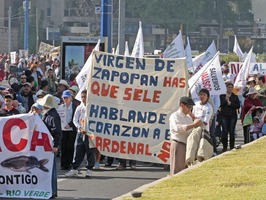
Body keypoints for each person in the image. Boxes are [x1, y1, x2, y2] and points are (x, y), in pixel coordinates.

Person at [65, 90, 95, 177]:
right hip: (80, 133)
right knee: (78, 150)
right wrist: (79, 128)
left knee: (90, 151)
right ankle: (74, 168)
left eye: (85, 97)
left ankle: (89, 169)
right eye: (82, 97)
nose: (83, 99)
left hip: (90, 133)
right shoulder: (79, 108)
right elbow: (75, 120)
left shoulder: (92, 107)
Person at [169, 96, 202, 175]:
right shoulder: (175, 116)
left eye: (191, 107)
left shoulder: (188, 117)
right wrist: (193, 124)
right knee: (176, 169)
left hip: (187, 144)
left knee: (185, 169)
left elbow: (191, 131)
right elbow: (178, 128)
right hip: (178, 143)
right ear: (182, 105)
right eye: (189, 107)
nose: (190, 109)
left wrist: (196, 123)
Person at [37, 94, 62, 198]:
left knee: (51, 169)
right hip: (47, 144)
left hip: (50, 144)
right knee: (49, 168)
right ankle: (52, 191)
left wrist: (56, 144)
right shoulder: (49, 115)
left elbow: (57, 132)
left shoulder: (52, 116)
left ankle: (52, 191)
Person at [59, 90, 77, 170]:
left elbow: (76, 117)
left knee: (70, 147)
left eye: (66, 97)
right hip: (63, 129)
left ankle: (69, 163)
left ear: (70, 98)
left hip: (71, 129)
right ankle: (63, 164)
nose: (65, 99)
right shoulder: (61, 107)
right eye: (64, 98)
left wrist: (70, 124)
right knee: (63, 147)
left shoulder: (74, 106)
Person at [219, 82, 240, 152]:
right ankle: (224, 147)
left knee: (231, 131)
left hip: (232, 115)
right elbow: (220, 105)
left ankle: (231, 147)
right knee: (224, 131)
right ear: (226, 88)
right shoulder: (222, 96)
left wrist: (230, 103)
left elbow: (238, 106)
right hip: (224, 115)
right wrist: (226, 100)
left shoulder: (235, 96)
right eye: (229, 87)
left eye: (231, 87)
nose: (230, 89)